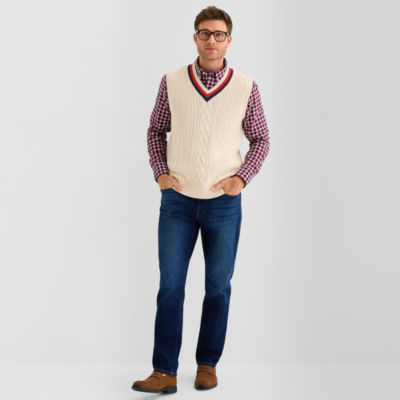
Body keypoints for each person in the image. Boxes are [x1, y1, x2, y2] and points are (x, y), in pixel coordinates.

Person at [132, 5, 270, 394]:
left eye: (219, 34)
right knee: (171, 287)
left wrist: (241, 178)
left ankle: (207, 365)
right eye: (205, 33)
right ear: (195, 38)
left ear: (229, 40)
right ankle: (164, 371)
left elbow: (261, 139)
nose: (212, 40)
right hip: (176, 202)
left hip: (223, 205)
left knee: (218, 287)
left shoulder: (245, 87)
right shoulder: (172, 81)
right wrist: (160, 172)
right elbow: (156, 130)